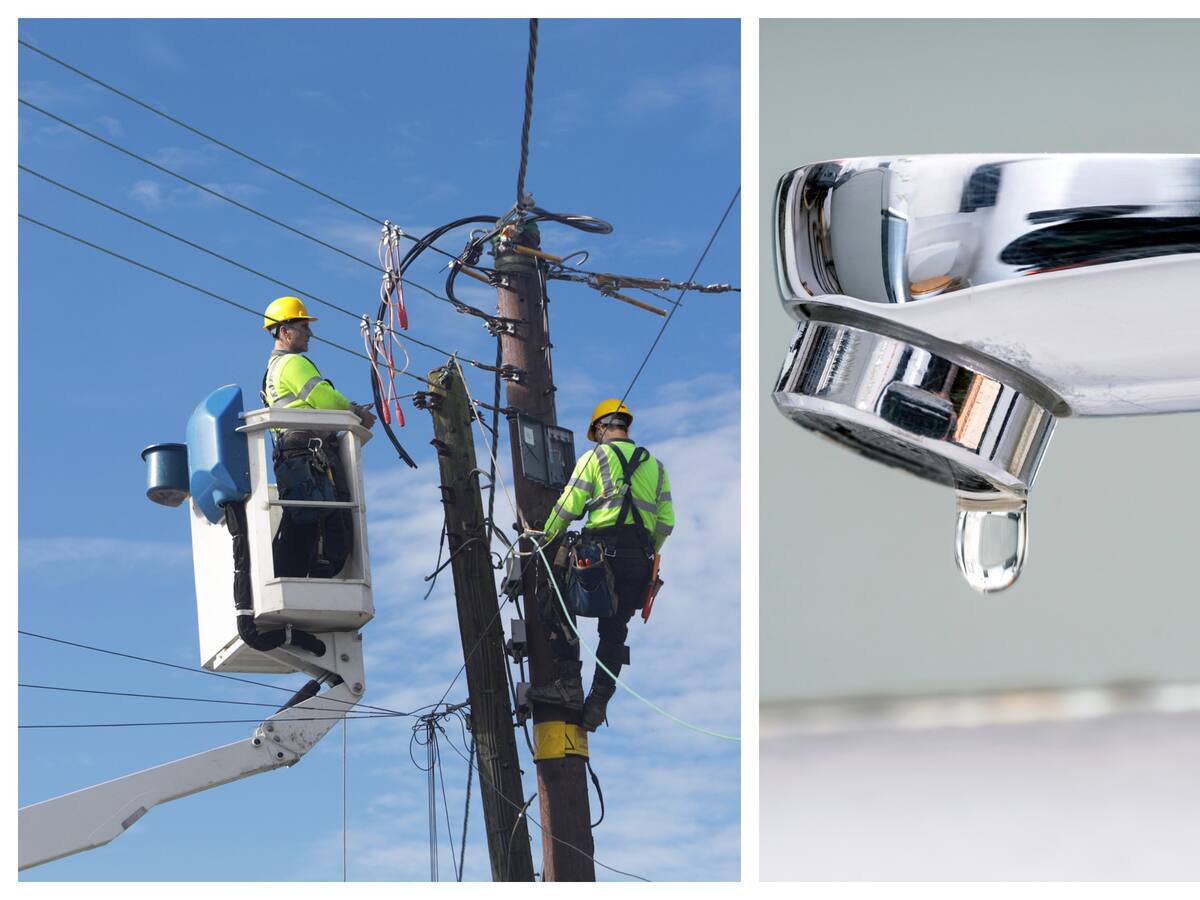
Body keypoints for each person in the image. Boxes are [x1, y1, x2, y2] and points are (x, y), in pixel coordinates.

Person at [528, 398, 675, 731]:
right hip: (639, 562)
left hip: (597, 558)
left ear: (599, 429)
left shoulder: (595, 457)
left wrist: (544, 537)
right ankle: (598, 702)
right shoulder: (657, 467)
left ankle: (568, 684)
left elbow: (569, 505)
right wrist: (647, 550)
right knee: (615, 629)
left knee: (555, 600)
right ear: (625, 426)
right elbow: (666, 522)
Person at [260, 296, 375, 578]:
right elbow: (323, 398)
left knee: (305, 519)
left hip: (293, 455)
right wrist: (355, 412)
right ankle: (316, 569)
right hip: (310, 452)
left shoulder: (272, 370)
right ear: (285, 331)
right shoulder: (292, 363)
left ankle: (296, 573)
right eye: (303, 326)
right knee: (329, 518)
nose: (310, 333)